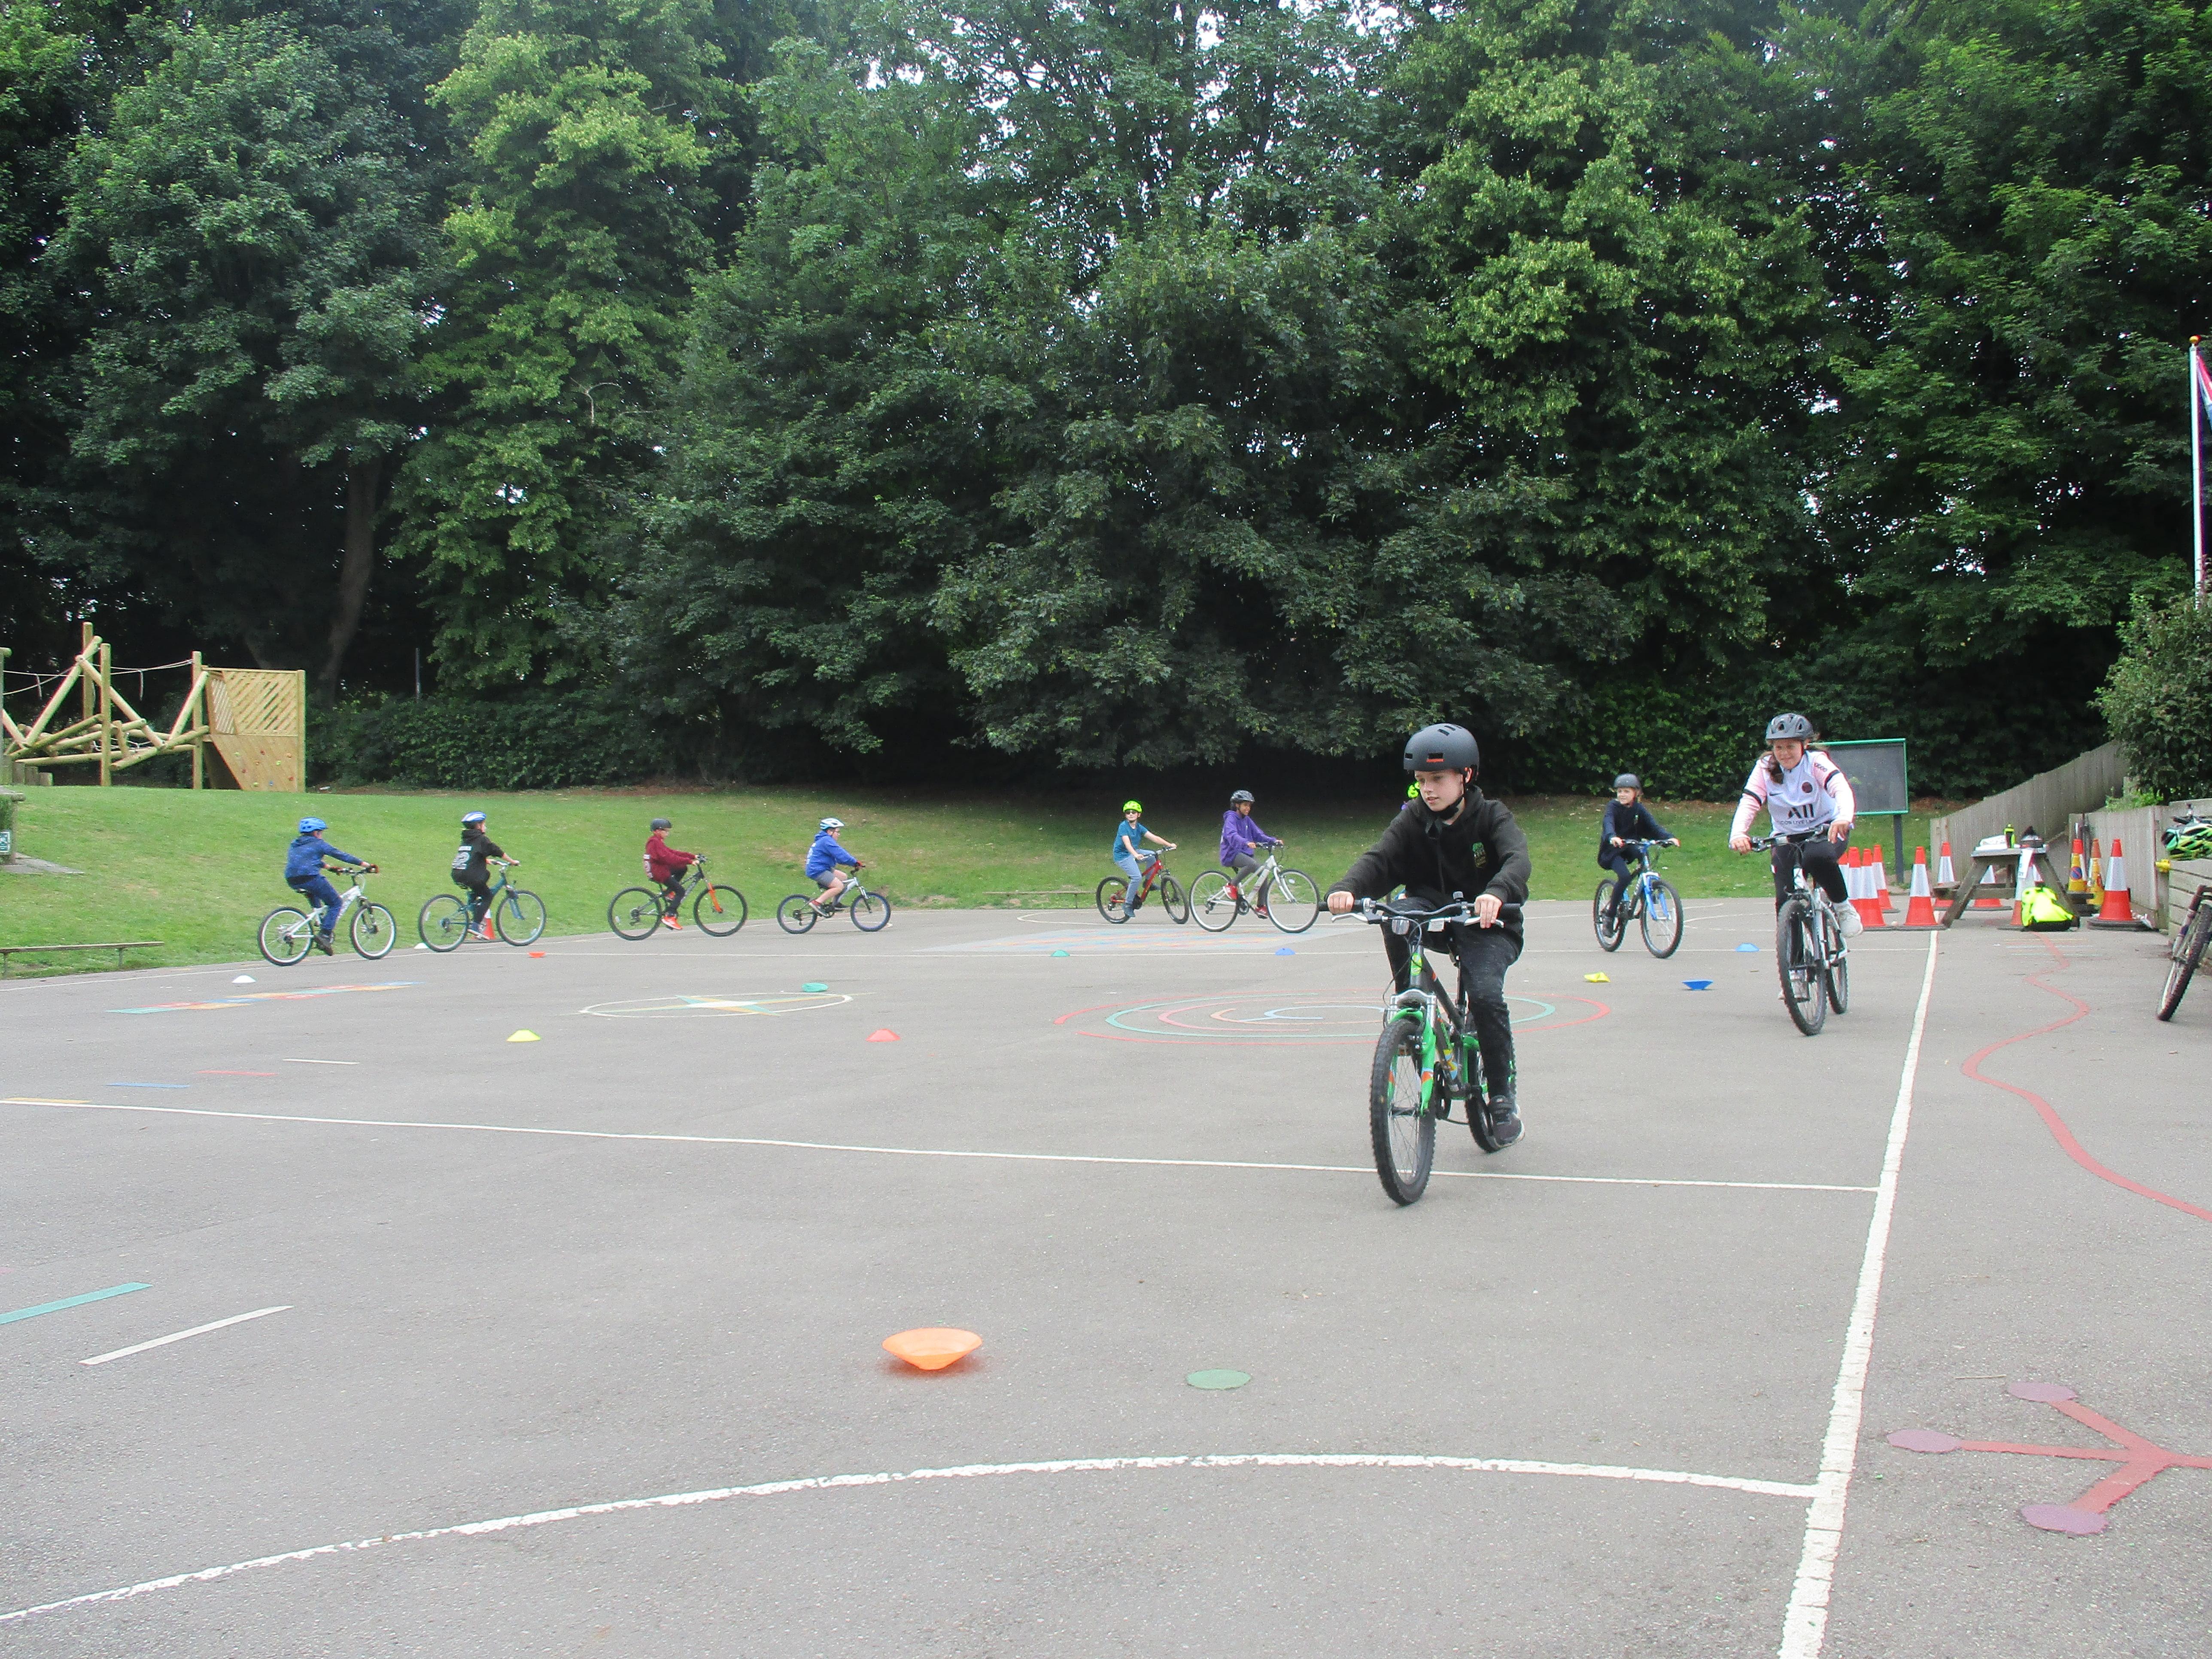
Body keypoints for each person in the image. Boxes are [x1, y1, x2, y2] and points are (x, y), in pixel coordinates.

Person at [1325, 724, 1531, 1147]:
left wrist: (1496, 893)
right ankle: (1410, 1003)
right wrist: (1347, 889)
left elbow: (1517, 859)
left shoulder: (1492, 816)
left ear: (1465, 776)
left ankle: (1501, 1099)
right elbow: (1380, 858)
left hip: (1486, 922)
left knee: (1485, 996)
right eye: (1421, 781)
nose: (1428, 790)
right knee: (1396, 915)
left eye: (1437, 779)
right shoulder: (1414, 819)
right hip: (1433, 915)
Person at [1728, 713, 1861, 935]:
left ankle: (1843, 907)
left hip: (1826, 829)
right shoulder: (1764, 768)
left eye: (1790, 747)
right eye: (1779, 748)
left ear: (1805, 744)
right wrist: (1738, 834)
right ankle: (1794, 954)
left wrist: (1844, 818)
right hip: (1787, 836)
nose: (1784, 753)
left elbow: (1841, 787)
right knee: (1784, 899)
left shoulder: (1816, 762)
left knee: (1817, 857)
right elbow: (1750, 802)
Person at [1598, 774, 1679, 924]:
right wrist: (1612, 837)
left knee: (1644, 857)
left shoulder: (1638, 808)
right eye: (1620, 791)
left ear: (1636, 793)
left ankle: (1647, 890)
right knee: (1625, 877)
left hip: (1631, 845)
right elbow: (1608, 823)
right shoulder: (1613, 807)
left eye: (1626, 791)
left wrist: (1668, 838)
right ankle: (1610, 914)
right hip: (1613, 850)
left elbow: (1653, 826)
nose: (1622, 795)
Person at [285, 817, 368, 957]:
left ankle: (320, 921)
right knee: (336, 903)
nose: (321, 835)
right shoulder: (319, 844)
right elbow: (340, 855)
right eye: (321, 832)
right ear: (316, 833)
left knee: (316, 897)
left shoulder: (295, 844)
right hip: (310, 878)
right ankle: (324, 935)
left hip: (292, 879)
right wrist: (364, 864)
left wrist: (329, 868)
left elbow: (305, 860)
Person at [1218, 789, 1284, 914]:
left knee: (1264, 873)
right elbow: (1232, 835)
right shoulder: (1231, 818)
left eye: (1249, 806)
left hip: (1244, 853)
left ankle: (1260, 906)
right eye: (1245, 805)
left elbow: (1259, 835)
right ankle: (1231, 886)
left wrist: (1273, 841)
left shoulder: (1247, 820)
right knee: (1252, 864)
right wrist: (1246, 842)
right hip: (1231, 853)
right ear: (1237, 805)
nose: (1248, 808)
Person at [451, 810, 512, 942]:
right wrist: (512, 861)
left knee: (479, 886)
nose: (485, 826)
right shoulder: (481, 839)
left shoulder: (467, 839)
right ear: (478, 826)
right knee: (488, 895)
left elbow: (471, 854)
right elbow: (495, 850)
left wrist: (486, 861)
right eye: (484, 824)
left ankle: (472, 903)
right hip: (470, 875)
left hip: (457, 873)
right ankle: (476, 925)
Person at [1110, 801, 1176, 912]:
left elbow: (1154, 837)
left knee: (1153, 856)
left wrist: (1169, 845)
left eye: (1134, 812)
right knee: (1137, 878)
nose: (1131, 814)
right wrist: (1136, 855)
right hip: (1123, 856)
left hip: (1134, 852)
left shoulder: (1139, 827)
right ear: (1125, 815)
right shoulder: (1123, 827)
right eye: (1128, 812)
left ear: (1139, 815)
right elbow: (1127, 843)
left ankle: (1148, 883)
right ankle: (1128, 904)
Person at [644, 817, 696, 930]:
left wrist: (692, 856)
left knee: (682, 869)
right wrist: (689, 861)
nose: (668, 834)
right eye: (666, 831)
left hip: (660, 870)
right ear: (658, 831)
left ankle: (669, 892)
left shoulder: (657, 842)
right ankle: (670, 916)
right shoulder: (654, 843)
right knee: (681, 892)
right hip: (659, 873)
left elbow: (671, 852)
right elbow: (669, 858)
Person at [806, 817, 861, 910]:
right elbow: (841, 854)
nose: (839, 834)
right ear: (830, 832)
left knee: (843, 877)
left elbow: (839, 858)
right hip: (817, 870)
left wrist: (852, 863)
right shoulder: (826, 841)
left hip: (822, 868)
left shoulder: (824, 840)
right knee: (839, 886)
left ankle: (835, 903)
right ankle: (817, 903)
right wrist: (855, 862)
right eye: (837, 832)